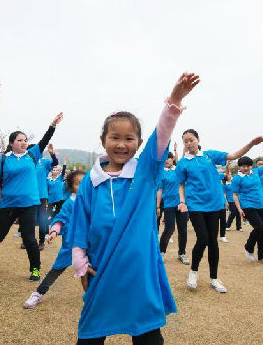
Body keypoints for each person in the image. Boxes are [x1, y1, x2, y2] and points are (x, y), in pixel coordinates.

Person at [71, 73, 199, 344]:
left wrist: (174, 100)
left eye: (129, 138)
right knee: (92, 332)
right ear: (103, 139)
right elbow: (80, 221)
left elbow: (161, 135)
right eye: (114, 137)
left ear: (139, 144)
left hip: (139, 269)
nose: (121, 144)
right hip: (101, 265)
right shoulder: (91, 181)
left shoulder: (146, 172)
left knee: (147, 334)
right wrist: (80, 262)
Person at [0, 112, 63, 281]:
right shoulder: (3, 159)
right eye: (19, 140)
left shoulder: (32, 155)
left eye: (25, 140)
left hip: (29, 204)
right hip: (8, 205)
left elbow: (44, 140)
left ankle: (35, 269)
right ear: (11, 143)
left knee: (29, 238)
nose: (23, 142)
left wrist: (52, 125)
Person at [177, 130, 263, 292]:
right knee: (203, 238)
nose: (189, 143)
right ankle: (193, 272)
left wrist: (251, 144)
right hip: (196, 205)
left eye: (191, 140)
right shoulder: (183, 163)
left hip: (215, 205)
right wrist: (182, 201)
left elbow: (234, 155)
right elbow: (181, 185)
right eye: (185, 141)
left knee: (213, 241)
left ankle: (214, 278)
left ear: (198, 140)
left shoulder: (209, 155)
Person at [23, 169, 85, 309]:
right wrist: (54, 231)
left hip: (90, 245)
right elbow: (61, 219)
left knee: (94, 271)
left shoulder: (94, 202)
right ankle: (38, 293)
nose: (81, 186)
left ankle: (96, 298)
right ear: (71, 187)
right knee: (56, 269)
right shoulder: (69, 203)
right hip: (72, 244)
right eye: (77, 183)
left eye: (84, 183)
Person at [231, 149, 263, 266]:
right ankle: (248, 247)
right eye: (243, 166)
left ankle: (262, 256)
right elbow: (235, 195)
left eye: (248, 166)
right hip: (248, 205)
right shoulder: (237, 178)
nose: (245, 168)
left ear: (251, 166)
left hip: (261, 204)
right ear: (239, 166)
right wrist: (239, 209)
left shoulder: (256, 171)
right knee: (259, 228)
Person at [157, 147, 189, 265]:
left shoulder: (178, 170)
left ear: (173, 159)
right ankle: (161, 252)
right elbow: (159, 190)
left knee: (183, 230)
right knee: (169, 228)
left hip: (182, 204)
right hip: (169, 204)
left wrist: (180, 150)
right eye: (164, 159)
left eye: (168, 158)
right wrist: (158, 206)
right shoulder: (161, 173)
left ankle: (182, 253)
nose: (166, 160)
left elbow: (183, 159)